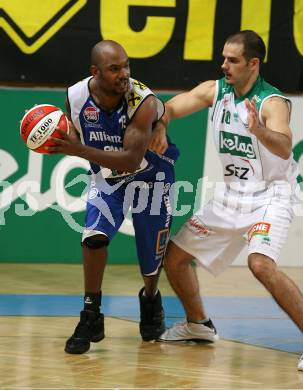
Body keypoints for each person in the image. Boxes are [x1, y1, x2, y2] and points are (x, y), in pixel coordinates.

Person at [150, 30, 303, 362]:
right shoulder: (214, 90)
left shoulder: (271, 102)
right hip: (233, 197)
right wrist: (161, 125)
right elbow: (170, 108)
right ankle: (198, 324)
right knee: (174, 258)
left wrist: (259, 130)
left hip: (271, 196)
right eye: (223, 58)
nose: (224, 65)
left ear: (253, 64)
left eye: (233, 60)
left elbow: (285, 144)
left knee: (260, 264)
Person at [48, 40, 179, 354]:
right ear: (95, 72)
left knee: (151, 258)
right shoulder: (76, 96)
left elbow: (132, 160)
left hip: (151, 175)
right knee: (93, 238)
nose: (124, 74)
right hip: (108, 179)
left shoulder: (140, 100)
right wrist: (53, 138)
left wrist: (78, 150)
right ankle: (90, 315)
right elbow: (76, 134)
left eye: (127, 65)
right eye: (114, 68)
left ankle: (150, 300)